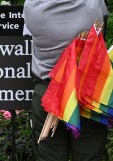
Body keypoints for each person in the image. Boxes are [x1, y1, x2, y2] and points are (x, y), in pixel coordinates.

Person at [23, 0, 109, 161]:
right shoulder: (92, 5)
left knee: (49, 156)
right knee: (89, 155)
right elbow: (103, 20)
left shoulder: (31, 7)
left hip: (47, 91)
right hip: (88, 93)